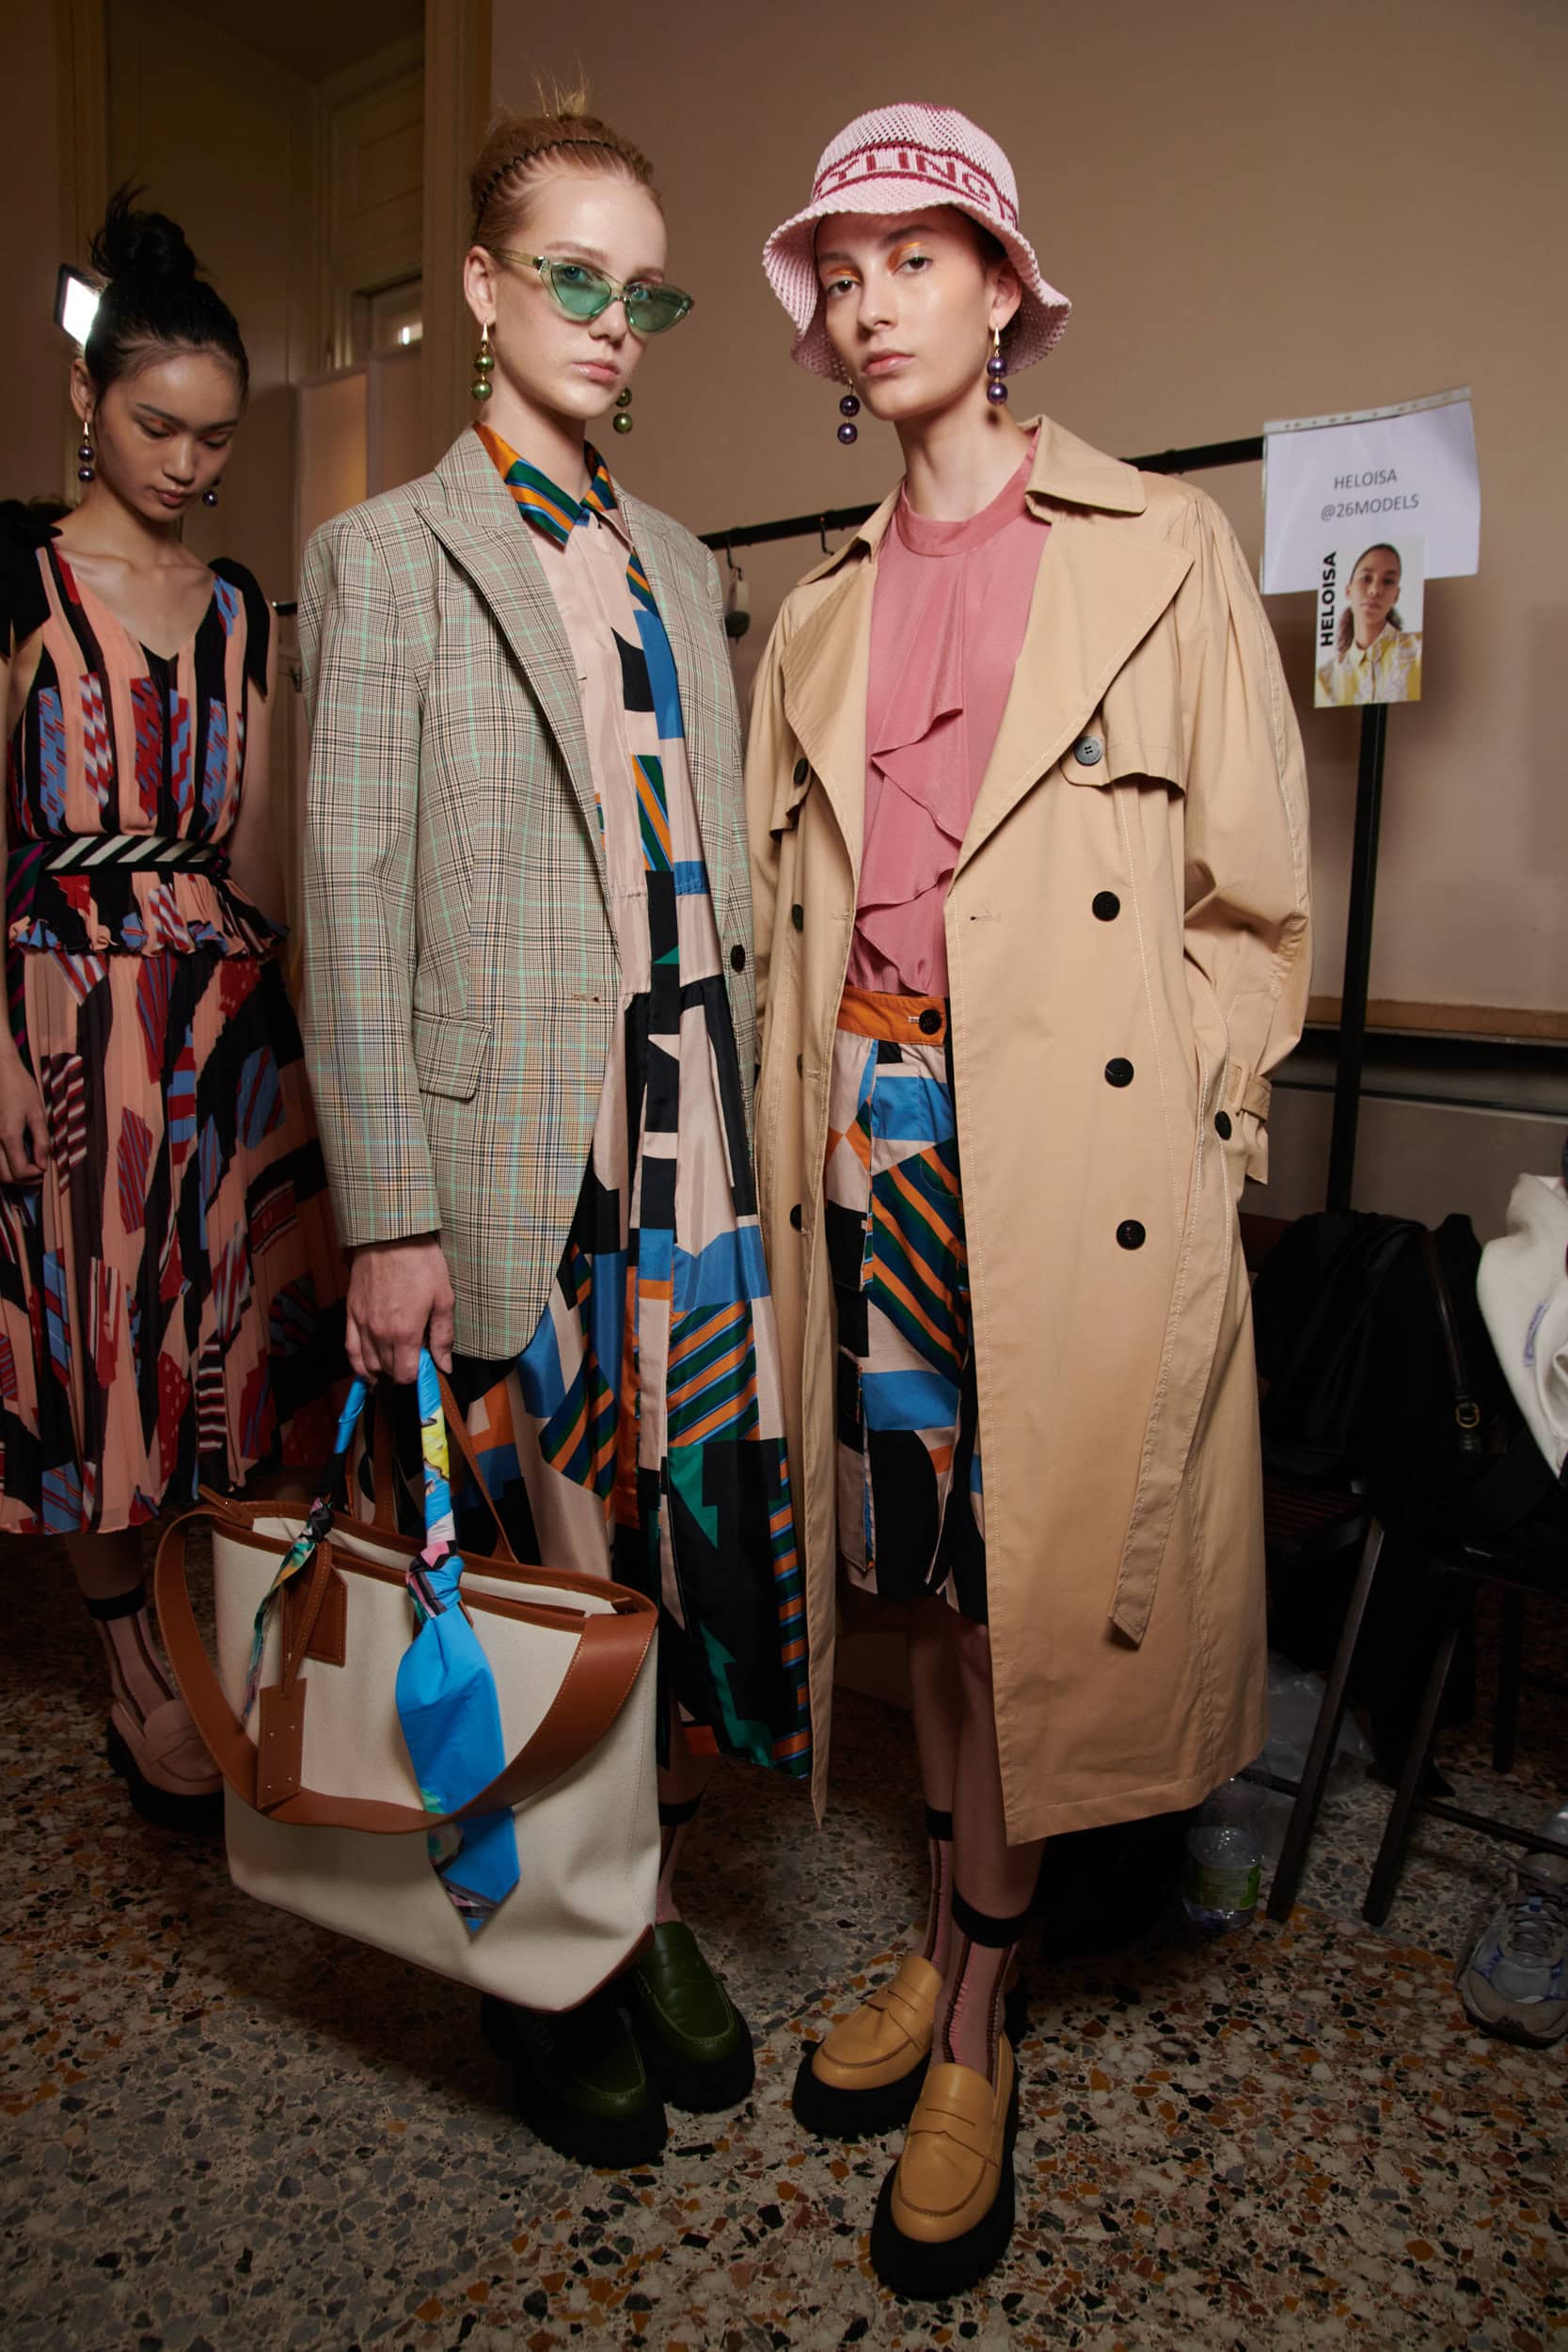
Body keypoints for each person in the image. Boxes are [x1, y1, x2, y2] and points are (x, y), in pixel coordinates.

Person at [748, 103, 1311, 2296]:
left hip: (1070, 1153)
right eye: (842, 268)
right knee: (922, 1581)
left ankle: (979, 2012)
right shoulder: (813, 609)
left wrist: (1191, 1124)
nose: (872, 298)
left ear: (1001, 290)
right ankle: (947, 1934)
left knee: (1018, 1586)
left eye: (917, 254)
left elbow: (1250, 907)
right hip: (876, 1124)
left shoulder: (1159, 546)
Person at [298, 98, 808, 2170]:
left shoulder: (681, 565)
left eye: (642, 290)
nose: (610, 318)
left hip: (691, 1156)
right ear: (483, 288)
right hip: (506, 1165)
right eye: (572, 276)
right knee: (523, 1583)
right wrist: (384, 1216)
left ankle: (646, 1904)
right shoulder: (381, 559)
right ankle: (542, 1962)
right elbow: (345, 906)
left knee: (663, 1565)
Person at [0, 191, 344, 1829]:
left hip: (224, 1023)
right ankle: (132, 1666)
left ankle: (238, 1649)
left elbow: (258, 846)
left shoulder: (240, 606)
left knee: (233, 1352)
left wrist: (303, 1048)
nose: (189, 464)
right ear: (87, 398)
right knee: (96, 1357)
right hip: (63, 1016)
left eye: (215, 437)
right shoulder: (18, 583)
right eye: (157, 426)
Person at [1316, 541, 1422, 704]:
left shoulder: (1420, 651)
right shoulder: (1324, 679)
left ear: (1396, 595)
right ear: (1348, 591)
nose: (1375, 590)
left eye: (1388, 581)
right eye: (1366, 578)